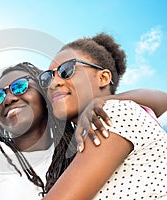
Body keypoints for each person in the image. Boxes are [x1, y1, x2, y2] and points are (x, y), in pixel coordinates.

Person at [0, 17, 167, 200]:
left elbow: (158, 101)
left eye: (18, 87)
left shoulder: (88, 135)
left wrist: (103, 101)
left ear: (46, 97)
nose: (7, 99)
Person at [38, 32, 167, 199]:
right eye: (47, 78)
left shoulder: (112, 114)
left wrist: (106, 100)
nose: (54, 83)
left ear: (103, 78)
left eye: (66, 70)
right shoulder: (80, 143)